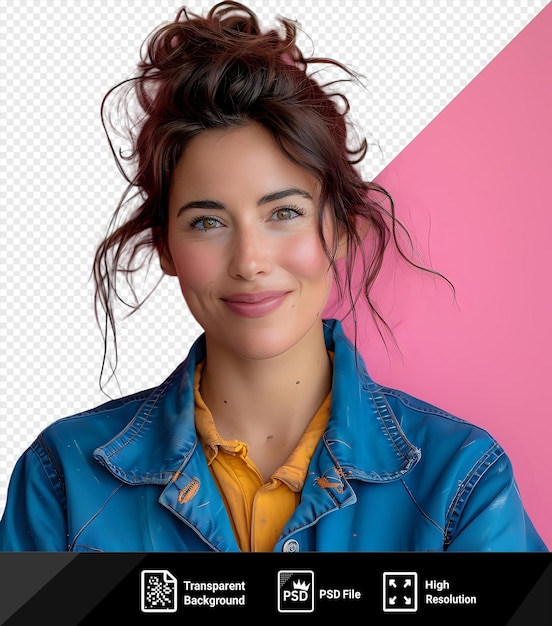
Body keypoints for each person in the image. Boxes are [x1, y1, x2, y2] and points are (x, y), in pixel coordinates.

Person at [0, 1, 546, 552]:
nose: (250, 260)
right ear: (165, 246)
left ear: (338, 229)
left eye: (283, 213)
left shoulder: (464, 484)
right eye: (207, 222)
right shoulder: (62, 481)